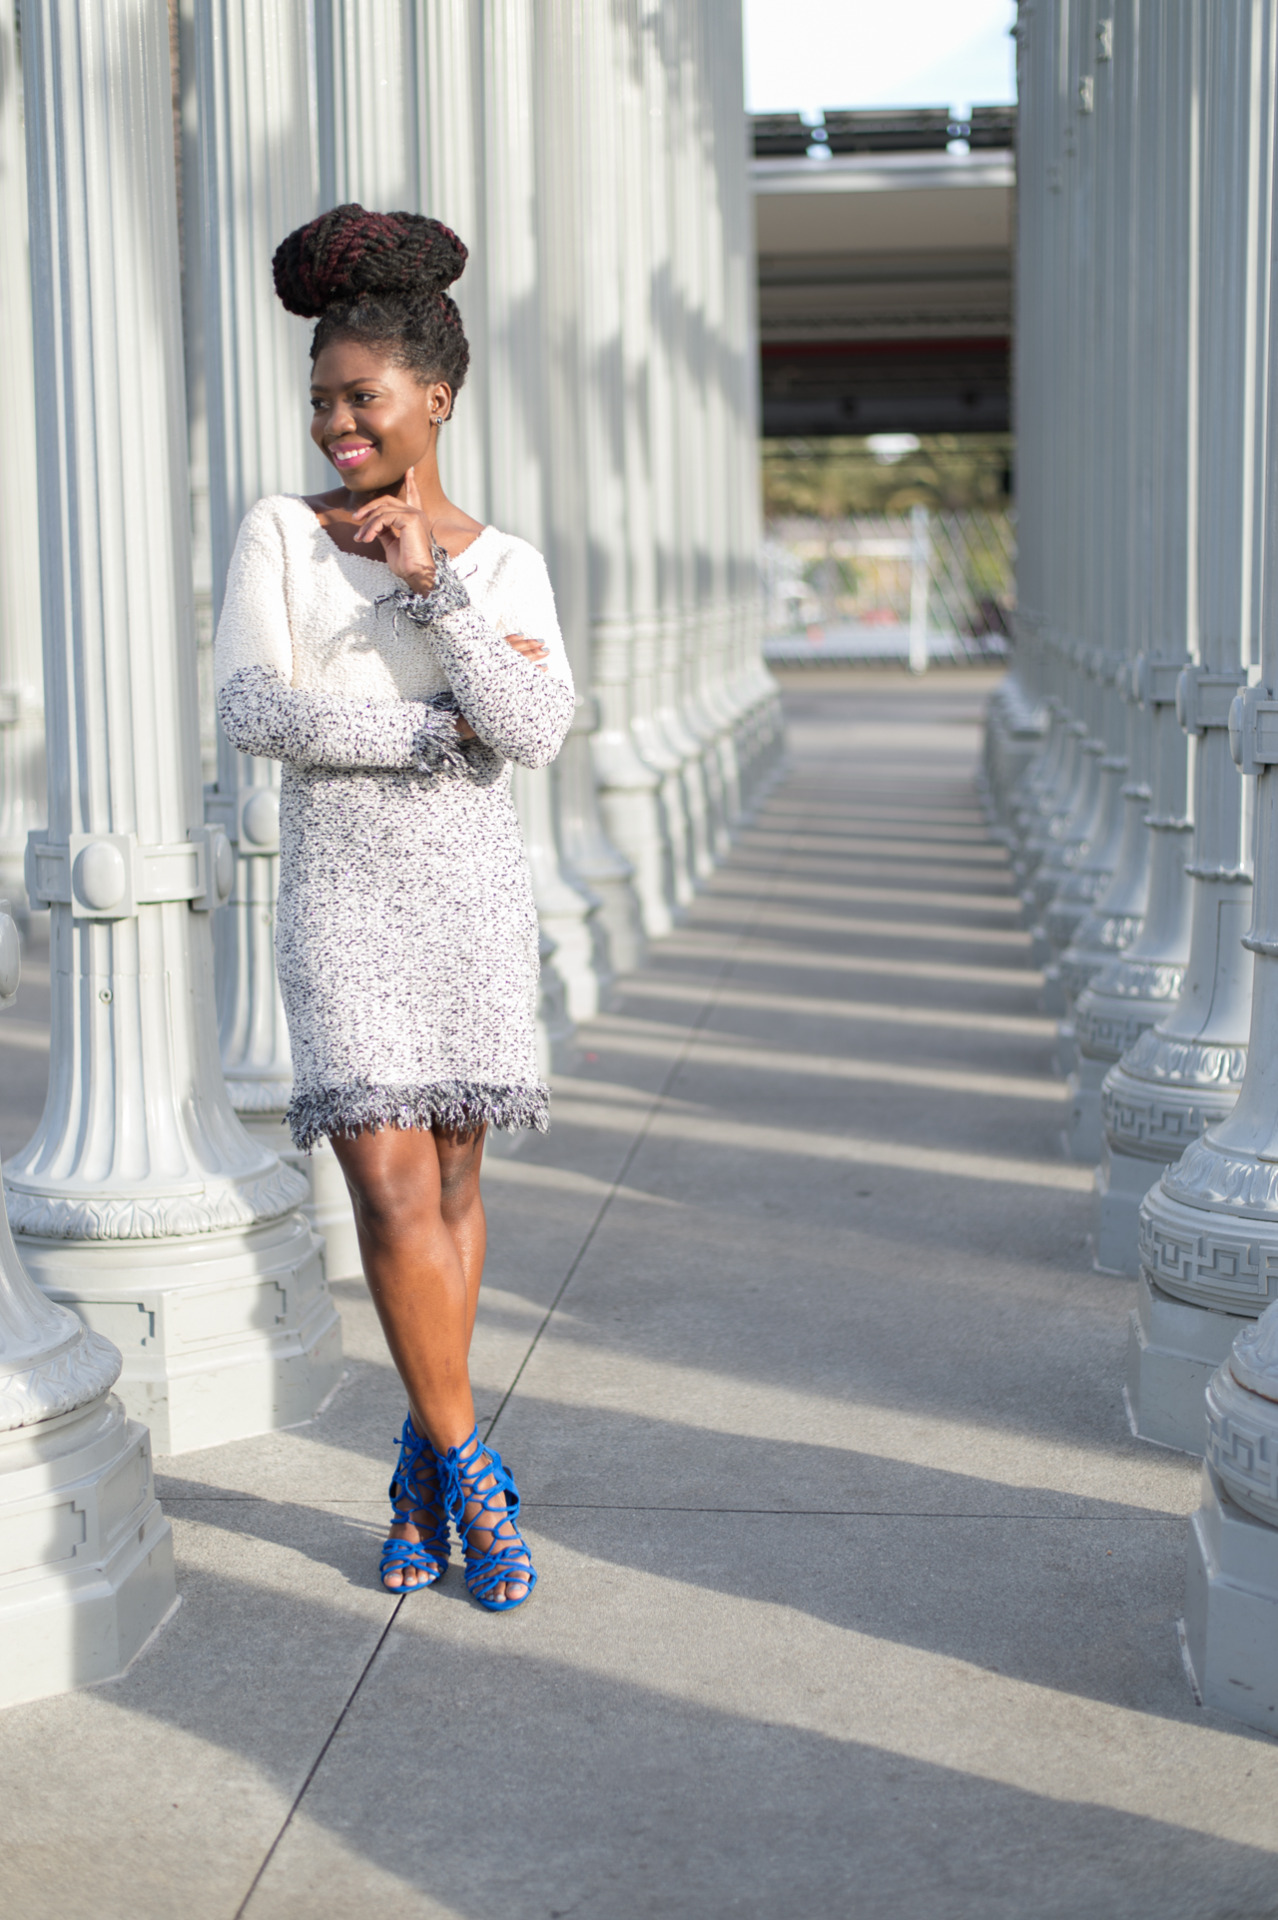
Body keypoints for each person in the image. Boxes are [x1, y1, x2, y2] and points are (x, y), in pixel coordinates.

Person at [213, 203, 576, 1612]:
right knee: (384, 1183)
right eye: (320, 402)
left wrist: (431, 592)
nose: (336, 426)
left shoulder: (502, 562)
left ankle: (419, 1467)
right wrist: (429, 736)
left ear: (436, 396)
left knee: (457, 1183)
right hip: (343, 903)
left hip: (470, 905)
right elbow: (258, 710)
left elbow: (532, 726)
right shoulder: (281, 535)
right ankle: (474, 1469)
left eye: (360, 397)